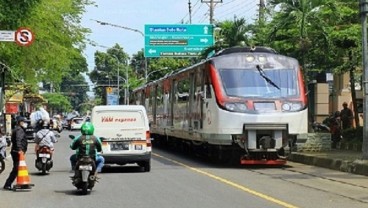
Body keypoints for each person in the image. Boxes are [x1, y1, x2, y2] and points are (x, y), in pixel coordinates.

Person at [3, 116, 28, 190]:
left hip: (16, 151)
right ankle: (7, 184)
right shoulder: (19, 130)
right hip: (17, 152)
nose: (25, 123)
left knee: (18, 168)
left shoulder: (18, 129)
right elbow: (18, 140)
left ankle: (21, 182)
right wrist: (20, 150)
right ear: (20, 122)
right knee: (16, 168)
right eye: (24, 122)